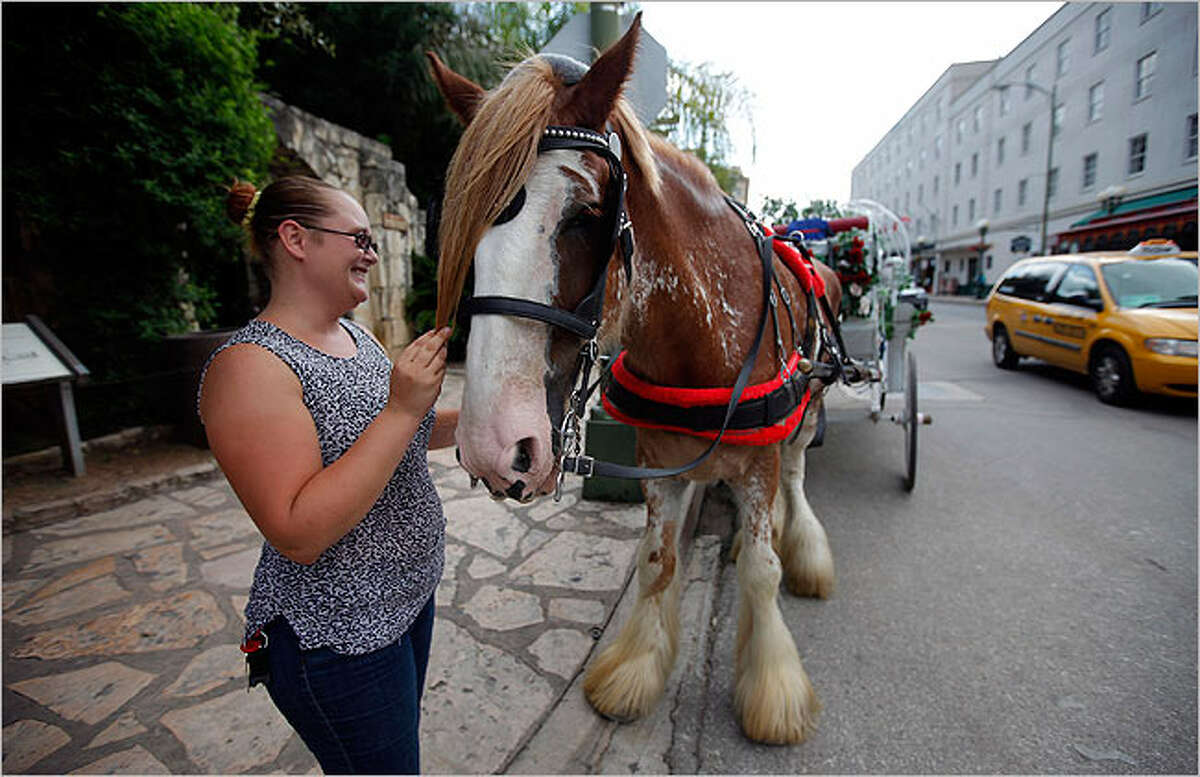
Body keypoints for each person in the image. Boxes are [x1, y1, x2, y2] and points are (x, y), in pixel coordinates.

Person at [199, 175, 457, 774]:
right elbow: (297, 530)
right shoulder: (250, 367)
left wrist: (487, 424)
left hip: (405, 603)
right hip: (337, 641)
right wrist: (401, 406)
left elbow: (400, 437)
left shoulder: (355, 338)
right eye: (359, 238)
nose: (371, 252)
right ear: (295, 238)